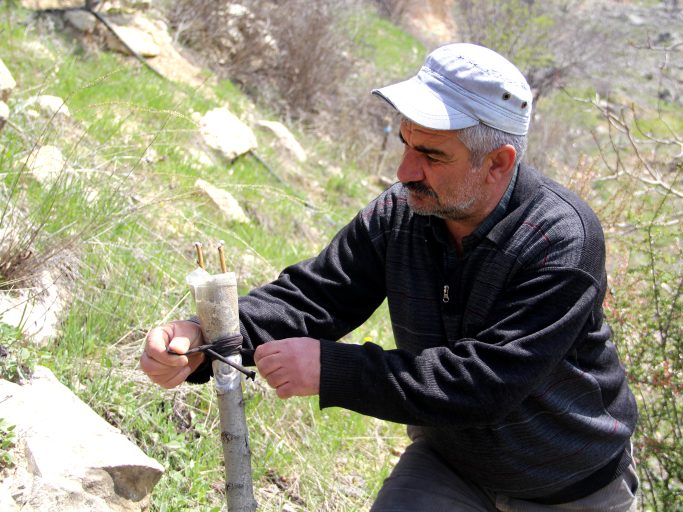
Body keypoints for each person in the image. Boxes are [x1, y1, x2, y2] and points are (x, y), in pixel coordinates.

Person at [141, 43, 639, 511]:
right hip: (453, 464)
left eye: (432, 154)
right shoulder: (402, 214)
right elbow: (314, 298)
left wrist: (334, 371)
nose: (404, 170)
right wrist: (203, 341)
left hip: (570, 488)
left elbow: (486, 383)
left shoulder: (561, 240)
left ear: (498, 163)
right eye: (405, 143)